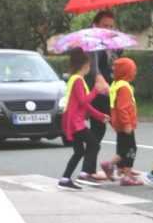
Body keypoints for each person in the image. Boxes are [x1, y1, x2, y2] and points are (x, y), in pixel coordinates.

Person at [59, 49, 109, 190]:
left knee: (79, 151)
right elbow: (83, 101)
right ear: (85, 65)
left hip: (73, 120)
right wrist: (96, 91)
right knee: (94, 144)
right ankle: (84, 173)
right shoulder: (78, 81)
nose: (89, 68)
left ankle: (65, 179)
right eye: (89, 65)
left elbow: (84, 105)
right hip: (76, 122)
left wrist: (100, 115)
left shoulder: (74, 79)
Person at [82, 10, 118, 182]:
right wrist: (98, 77)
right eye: (105, 25)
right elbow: (93, 65)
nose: (108, 29)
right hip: (99, 92)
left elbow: (113, 63)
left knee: (98, 131)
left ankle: (87, 170)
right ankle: (122, 167)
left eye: (111, 26)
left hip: (108, 90)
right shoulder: (92, 42)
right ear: (95, 25)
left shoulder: (107, 42)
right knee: (121, 127)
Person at [101, 57, 143, 186]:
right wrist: (127, 124)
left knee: (122, 148)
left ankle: (120, 169)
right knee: (130, 149)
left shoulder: (116, 84)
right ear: (126, 72)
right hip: (125, 124)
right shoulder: (124, 87)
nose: (135, 72)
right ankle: (123, 173)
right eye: (133, 70)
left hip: (118, 123)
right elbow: (122, 107)